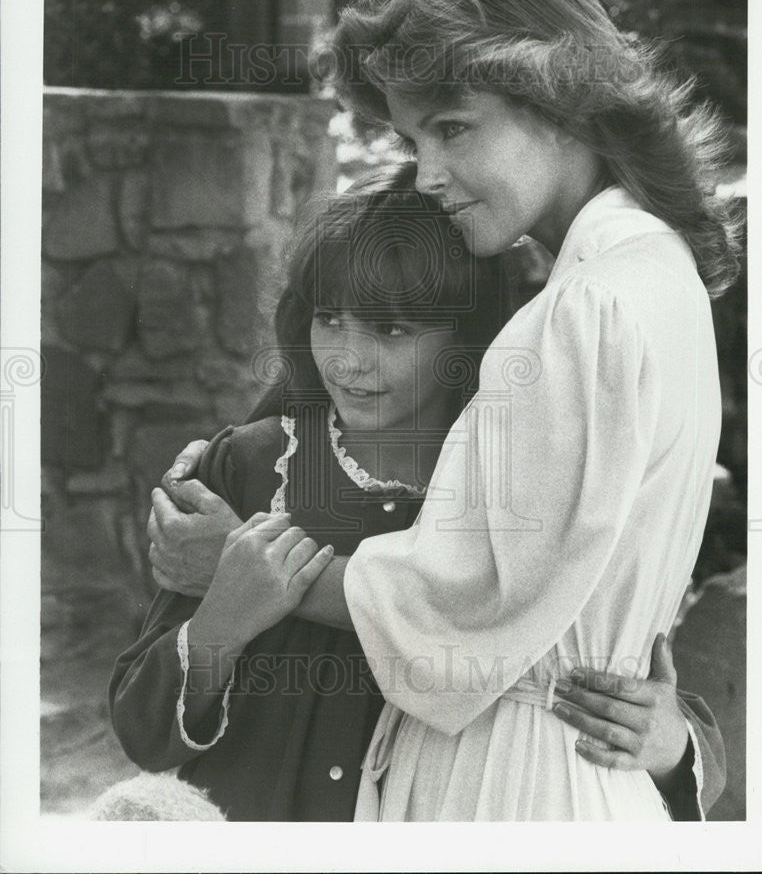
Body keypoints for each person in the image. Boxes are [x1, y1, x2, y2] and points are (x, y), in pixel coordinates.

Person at [114, 162, 725, 822]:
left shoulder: (521, 488)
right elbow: (140, 727)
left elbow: (594, 655)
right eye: (329, 319)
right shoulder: (250, 467)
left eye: (392, 330)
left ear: (466, 335)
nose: (348, 359)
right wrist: (220, 626)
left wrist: (674, 744)